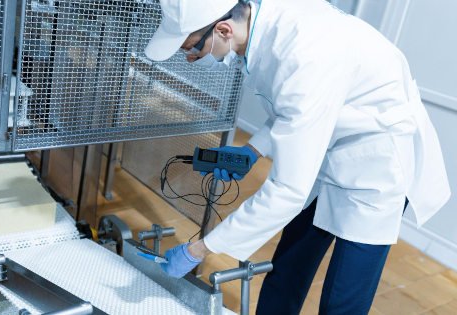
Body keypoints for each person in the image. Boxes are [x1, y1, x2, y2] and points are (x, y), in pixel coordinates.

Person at [144, 0, 451, 314]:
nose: (191, 58)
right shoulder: (268, 20)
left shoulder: (305, 54)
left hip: (378, 168)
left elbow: (287, 190)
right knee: (288, 268)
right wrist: (252, 150)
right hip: (329, 147)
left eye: (192, 47)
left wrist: (200, 249)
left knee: (342, 300)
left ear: (223, 29)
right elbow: (293, 106)